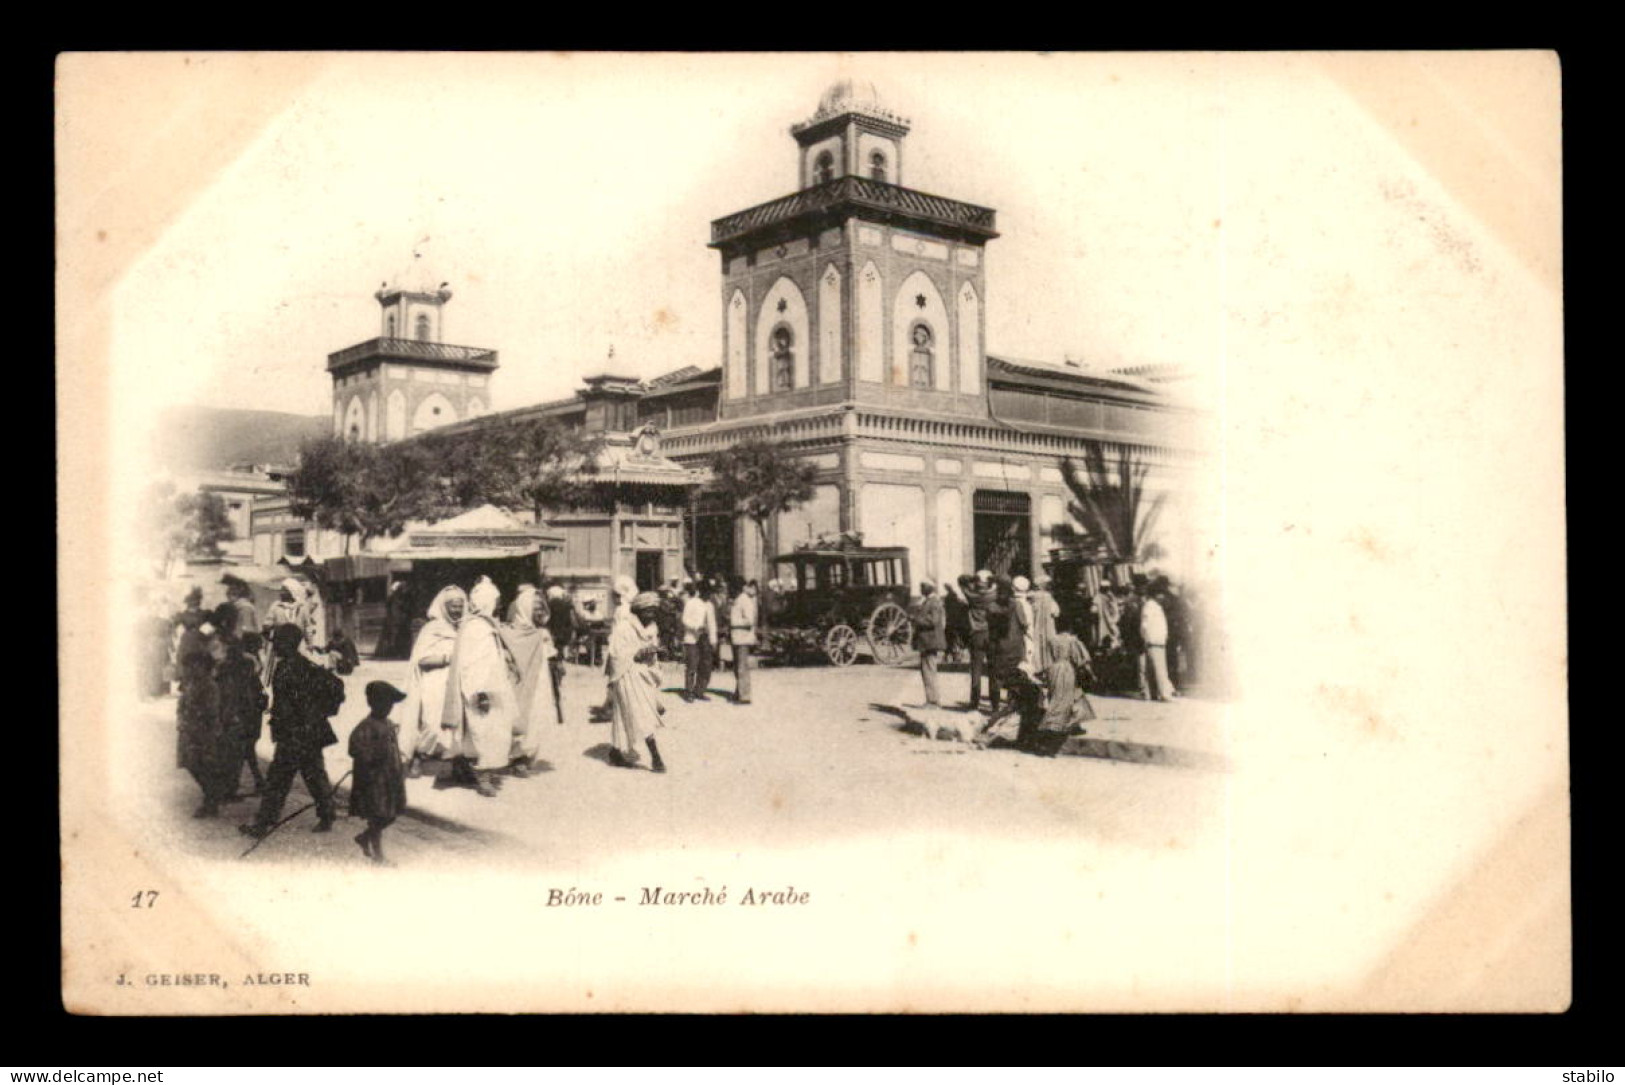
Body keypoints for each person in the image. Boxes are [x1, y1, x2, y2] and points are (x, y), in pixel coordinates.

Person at [240, 624, 344, 839]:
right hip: (310, 731)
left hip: (294, 733)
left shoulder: (287, 668)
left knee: (278, 779)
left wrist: (280, 725)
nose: (274, 645)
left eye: (278, 641)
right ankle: (327, 814)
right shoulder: (303, 664)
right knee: (315, 775)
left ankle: (263, 823)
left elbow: (288, 706)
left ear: (288, 643)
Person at [448, 576, 522, 797]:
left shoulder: (484, 625)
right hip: (481, 690)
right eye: (496, 601)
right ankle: (483, 776)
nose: (499, 605)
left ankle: (471, 770)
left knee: (494, 731)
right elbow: (472, 664)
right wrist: (480, 692)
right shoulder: (476, 628)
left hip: (494, 687)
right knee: (482, 732)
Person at [403, 585, 466, 778]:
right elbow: (421, 660)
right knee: (432, 722)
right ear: (443, 607)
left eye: (460, 606)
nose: (457, 611)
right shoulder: (431, 629)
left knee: (460, 723)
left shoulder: (465, 628)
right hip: (435, 682)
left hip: (458, 682)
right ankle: (419, 757)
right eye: (453, 606)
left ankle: (458, 765)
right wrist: (448, 658)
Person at [606, 579, 668, 772]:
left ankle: (617, 751)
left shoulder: (652, 629)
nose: (651, 615)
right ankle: (656, 758)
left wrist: (655, 653)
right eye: (647, 611)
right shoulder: (624, 628)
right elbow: (615, 653)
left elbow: (650, 652)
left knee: (629, 715)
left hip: (644, 675)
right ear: (639, 611)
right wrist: (636, 654)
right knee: (642, 715)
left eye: (653, 611)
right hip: (627, 675)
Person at [348, 681, 409, 865]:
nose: (389, 708)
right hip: (374, 782)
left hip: (389, 779)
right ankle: (378, 856)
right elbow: (355, 749)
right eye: (385, 704)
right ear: (374, 704)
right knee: (378, 816)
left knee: (390, 814)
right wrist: (373, 754)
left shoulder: (388, 724)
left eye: (391, 705)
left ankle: (365, 838)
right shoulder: (367, 726)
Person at [211, 604, 268, 800]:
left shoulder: (231, 642)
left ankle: (239, 785)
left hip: (240, 698)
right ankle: (230, 787)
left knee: (243, 745)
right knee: (239, 745)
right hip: (236, 699)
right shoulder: (222, 641)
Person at [501, 583, 558, 776]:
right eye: (536, 607)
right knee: (516, 715)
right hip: (517, 682)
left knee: (537, 714)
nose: (540, 611)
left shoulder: (542, 632)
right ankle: (513, 756)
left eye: (542, 607)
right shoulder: (509, 631)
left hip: (539, 680)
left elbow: (549, 655)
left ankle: (524, 757)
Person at [175, 624, 227, 818]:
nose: (190, 669)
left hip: (203, 731)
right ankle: (211, 797)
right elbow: (182, 705)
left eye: (194, 666)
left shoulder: (209, 685)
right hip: (190, 729)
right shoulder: (191, 684)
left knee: (202, 765)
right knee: (192, 764)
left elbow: (212, 710)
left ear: (203, 667)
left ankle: (211, 799)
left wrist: (205, 725)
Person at [960, 572, 998, 713]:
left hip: (976, 634)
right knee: (994, 670)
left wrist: (972, 580)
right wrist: (993, 583)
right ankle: (995, 704)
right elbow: (996, 587)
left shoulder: (971, 596)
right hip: (992, 635)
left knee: (976, 670)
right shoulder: (994, 595)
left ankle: (974, 703)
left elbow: (962, 580)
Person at [1139, 578, 1175, 702]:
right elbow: (1145, 625)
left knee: (1154, 668)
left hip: (1158, 641)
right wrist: (1147, 639)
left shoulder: (1155, 606)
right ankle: (1164, 694)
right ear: (1156, 594)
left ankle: (1153, 694)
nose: (1162, 596)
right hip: (1154, 641)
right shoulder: (1150, 606)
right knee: (1159, 669)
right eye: (1160, 594)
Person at [911, 581, 946, 707]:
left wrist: (917, 620)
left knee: (929, 671)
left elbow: (933, 621)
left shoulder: (933, 602)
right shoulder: (929, 601)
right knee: (927, 670)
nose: (920, 589)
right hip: (927, 641)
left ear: (928, 588)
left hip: (929, 641)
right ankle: (932, 699)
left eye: (922, 586)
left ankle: (933, 701)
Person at [680, 581, 716, 702]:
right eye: (706, 592)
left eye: (710, 593)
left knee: (706, 665)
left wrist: (713, 640)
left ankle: (699, 690)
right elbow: (684, 619)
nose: (708, 595)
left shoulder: (710, 605)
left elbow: (712, 624)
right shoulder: (691, 603)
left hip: (705, 639)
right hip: (692, 639)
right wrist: (696, 626)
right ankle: (689, 691)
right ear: (700, 592)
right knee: (692, 665)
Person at [544, 584, 576, 722]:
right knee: (559, 658)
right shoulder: (566, 605)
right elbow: (570, 622)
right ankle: (560, 678)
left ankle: (555, 683)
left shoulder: (548, 605)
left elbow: (546, 622)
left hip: (551, 637)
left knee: (552, 661)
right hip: (563, 637)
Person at [728, 580, 759, 705]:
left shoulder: (744, 600)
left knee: (742, 667)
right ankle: (739, 692)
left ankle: (745, 696)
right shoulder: (738, 600)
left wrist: (733, 623)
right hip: (737, 638)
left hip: (742, 638)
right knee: (737, 667)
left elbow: (749, 621)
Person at [1029, 576, 1061, 671]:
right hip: (1048, 627)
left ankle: (1036, 667)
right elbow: (1055, 612)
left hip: (1035, 627)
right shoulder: (1048, 597)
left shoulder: (1031, 596)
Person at [942, 578, 970, 663]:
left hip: (952, 621)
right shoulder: (955, 596)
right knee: (955, 639)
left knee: (952, 639)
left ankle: (952, 655)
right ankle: (955, 656)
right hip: (956, 621)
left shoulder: (949, 597)